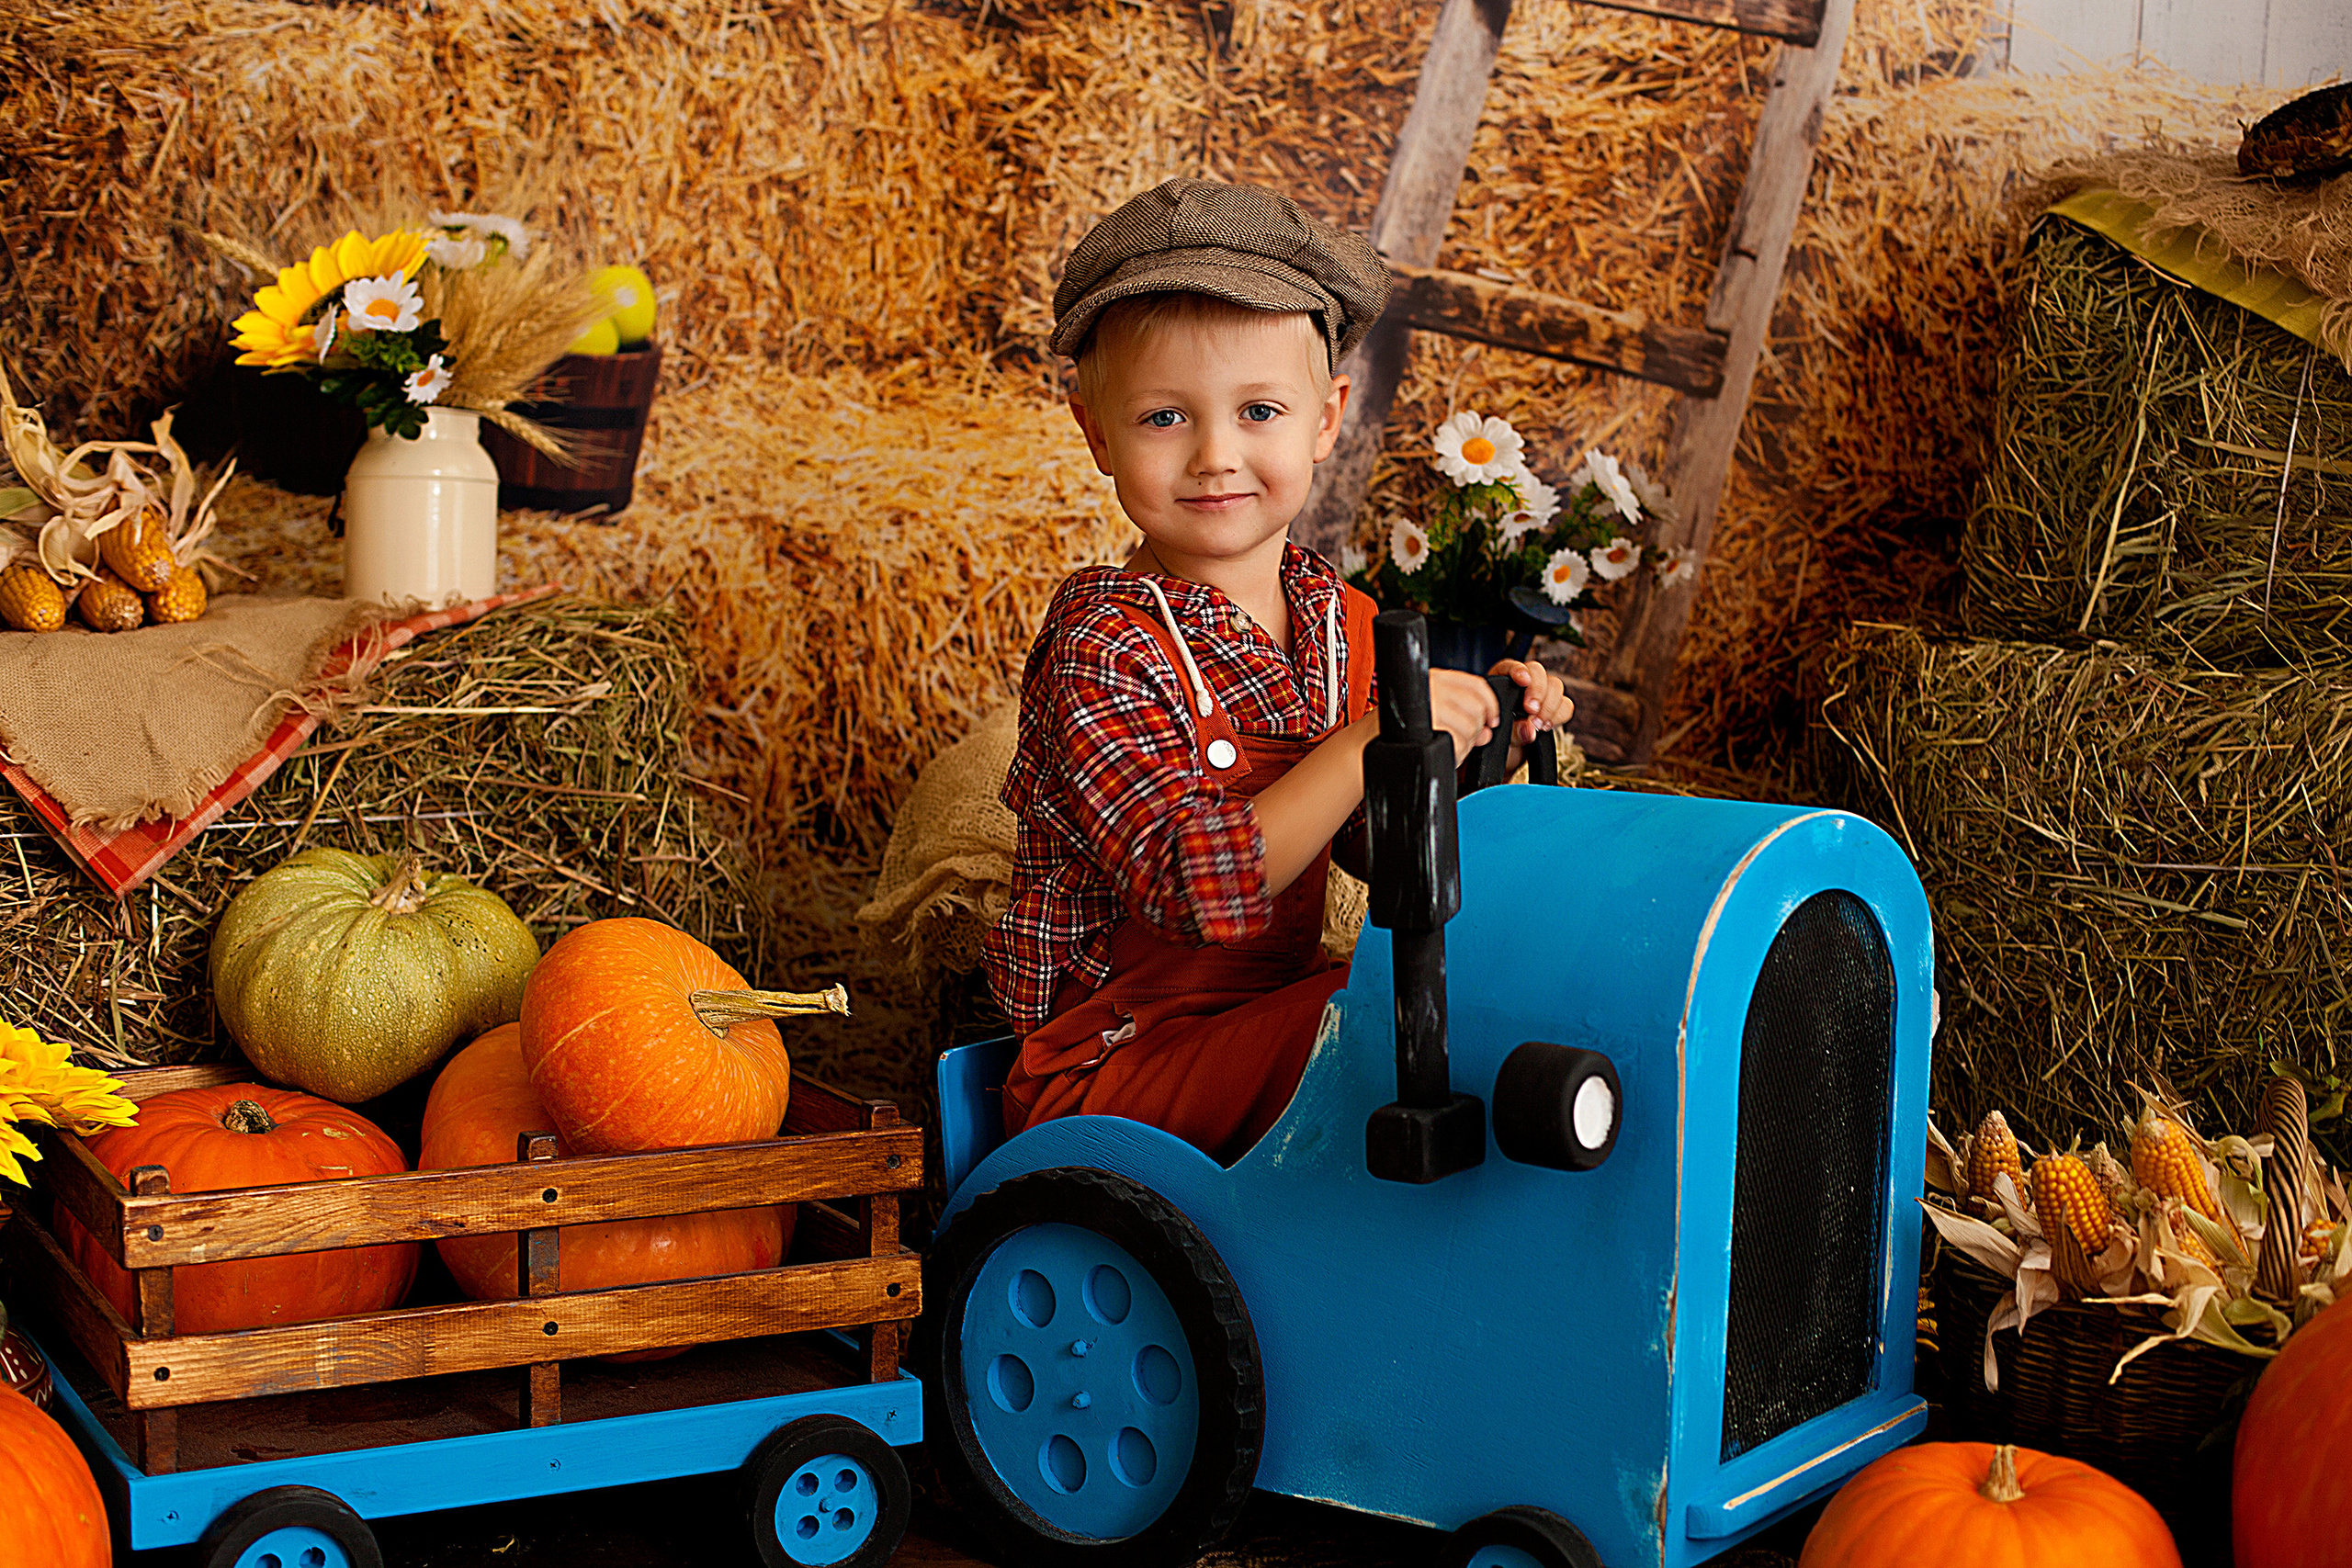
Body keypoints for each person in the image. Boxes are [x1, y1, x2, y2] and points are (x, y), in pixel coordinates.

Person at [980, 178, 1574, 1163]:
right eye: (1164, 419)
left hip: (1262, 1021)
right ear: (1095, 433)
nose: (1217, 455)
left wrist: (1473, 754)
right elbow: (1193, 890)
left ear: (1327, 417)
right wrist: (1361, 745)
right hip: (1109, 1067)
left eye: (1258, 410)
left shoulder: (1341, 622)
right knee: (1392, 1014)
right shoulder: (1104, 645)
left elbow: (1368, 851)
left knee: (1475, 989)